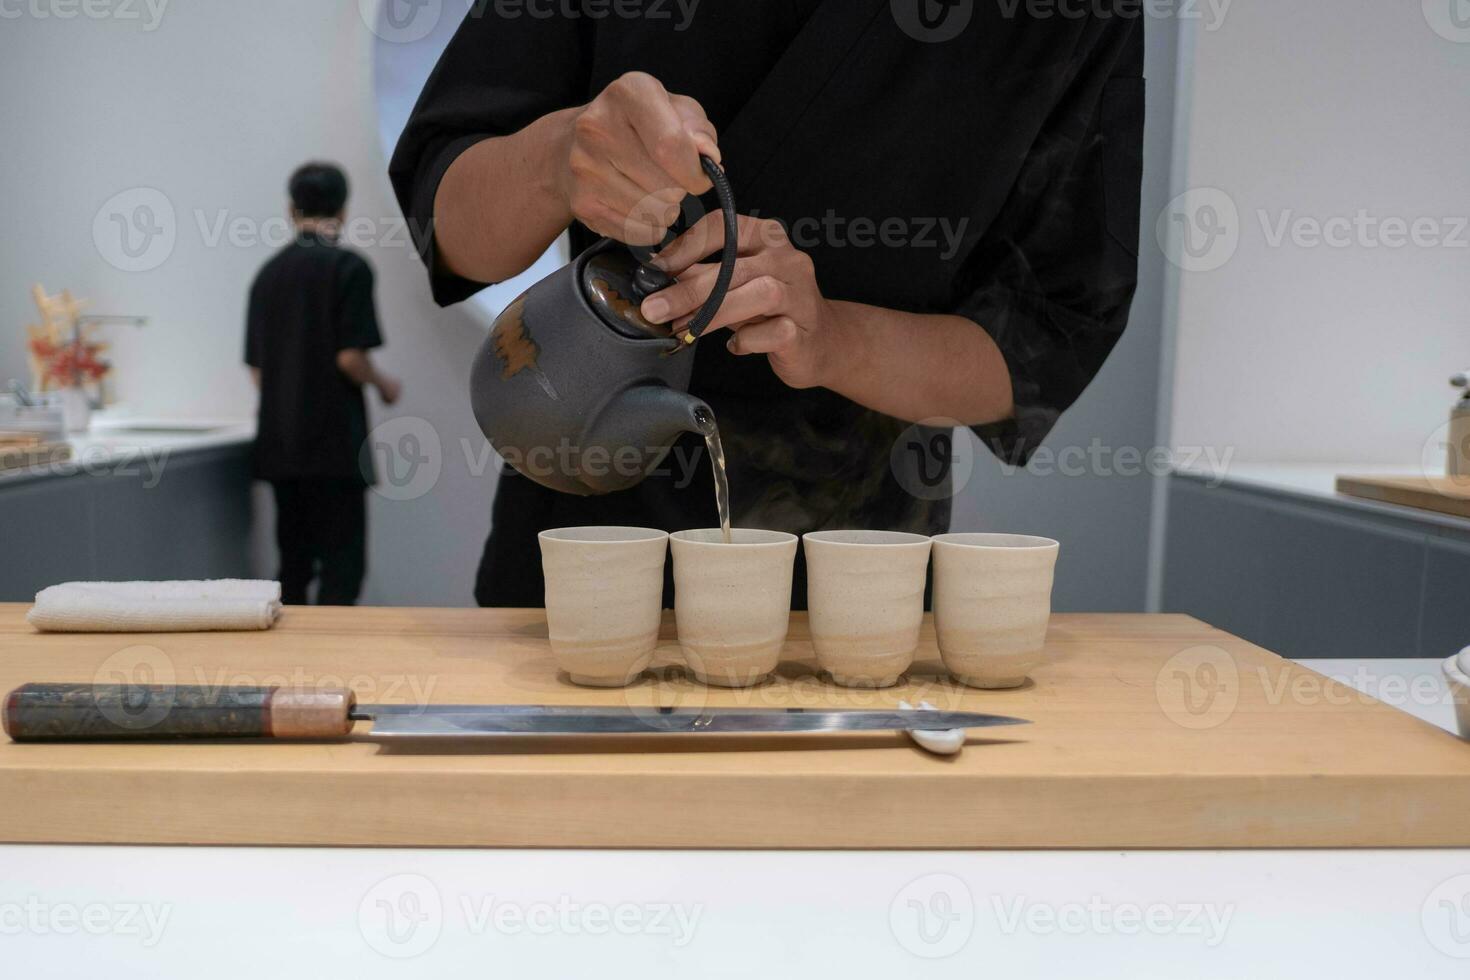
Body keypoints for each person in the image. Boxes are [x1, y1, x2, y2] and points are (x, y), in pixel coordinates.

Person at [390, 2, 1144, 608]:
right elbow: (452, 231)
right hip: (588, 515)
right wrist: (557, 160)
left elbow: (1043, 342)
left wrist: (833, 338)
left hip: (860, 569)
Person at [245, 162, 401, 605]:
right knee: (343, 568)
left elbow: (257, 371)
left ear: (291, 209)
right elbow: (350, 358)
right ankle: (331, 667)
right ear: (344, 210)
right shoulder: (349, 267)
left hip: (282, 445)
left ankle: (289, 669)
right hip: (334, 445)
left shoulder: (267, 275)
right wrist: (384, 384)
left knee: (292, 567)